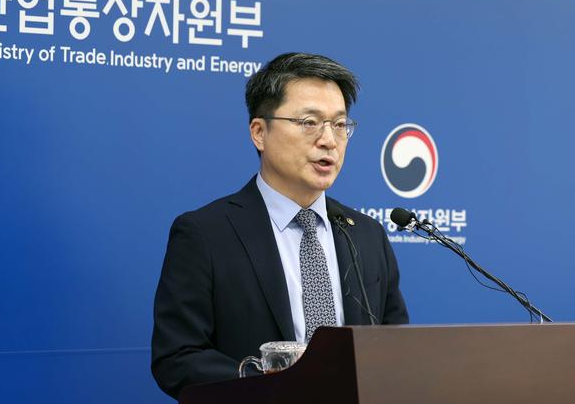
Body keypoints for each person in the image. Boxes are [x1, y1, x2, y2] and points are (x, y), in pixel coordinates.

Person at [151, 52, 409, 398]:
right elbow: (177, 358)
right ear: (260, 132)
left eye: (339, 124)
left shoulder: (366, 234)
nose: (329, 140)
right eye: (309, 122)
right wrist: (268, 383)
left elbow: (395, 347)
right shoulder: (205, 234)